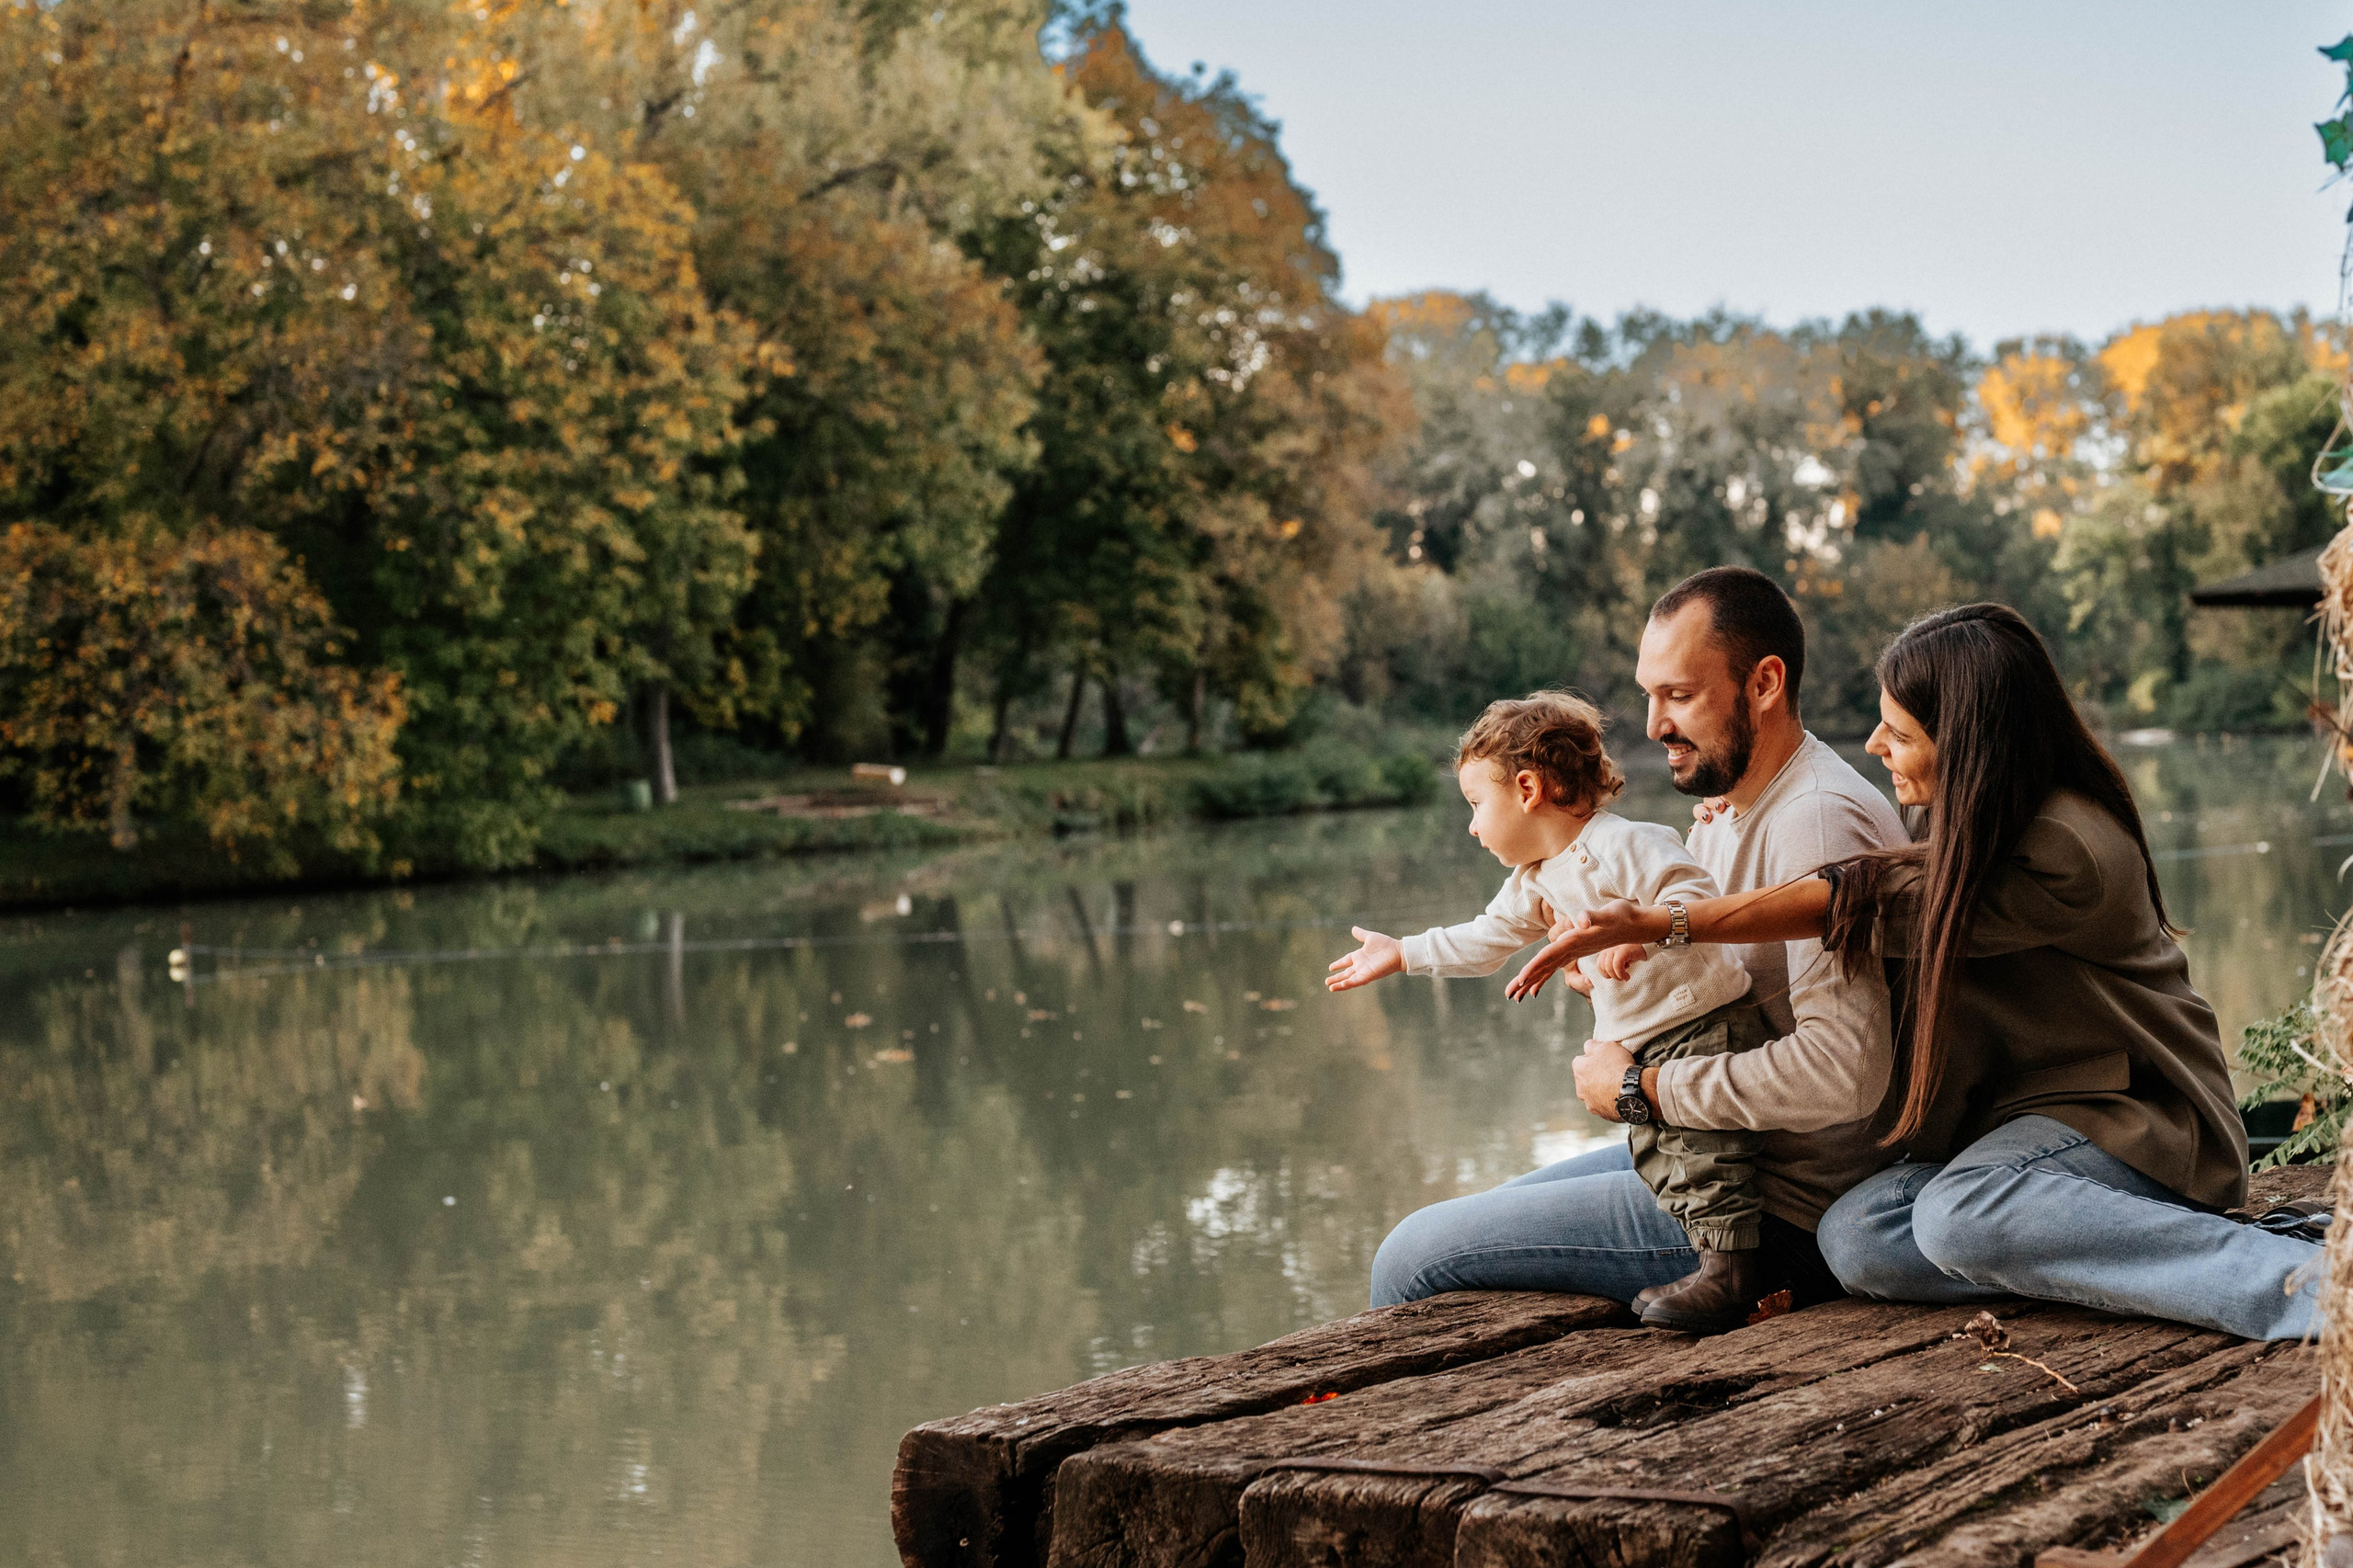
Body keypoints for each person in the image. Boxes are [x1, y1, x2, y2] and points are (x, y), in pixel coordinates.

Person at [1513, 602, 2322, 1341]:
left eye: (1897, 734)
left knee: (1958, 1218)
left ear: (1968, 741)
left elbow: (1851, 900)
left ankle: (2308, 1291)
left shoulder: (2066, 846)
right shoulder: (1950, 815)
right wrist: (1687, 887)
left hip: (2132, 1121)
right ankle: (2122, 1255)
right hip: (2009, 1137)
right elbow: (1849, 896)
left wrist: (1667, 921)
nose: (1874, 746)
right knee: (1858, 1239)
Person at [1366, 567, 1907, 1318]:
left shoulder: (1816, 823)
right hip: (1703, 1137)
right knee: (1458, 1221)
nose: (1653, 725)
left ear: (1764, 684)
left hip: (1767, 1207)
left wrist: (1639, 1090)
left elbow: (1846, 1075)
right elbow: (1703, 962)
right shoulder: (1732, 804)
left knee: (1414, 1257)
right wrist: (1608, 966)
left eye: (1678, 695)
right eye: (1649, 695)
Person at [1329, 690, 1776, 1332]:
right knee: (1661, 1152)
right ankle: (1709, 1263)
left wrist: (1643, 932)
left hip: (1700, 1022)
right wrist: (1403, 953)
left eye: (1476, 804)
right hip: (1643, 1043)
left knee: (1706, 1156)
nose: (1473, 827)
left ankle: (1732, 1274)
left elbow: (1693, 894)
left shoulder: (1625, 842)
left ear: (1528, 789)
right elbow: (1484, 940)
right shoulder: (1534, 880)